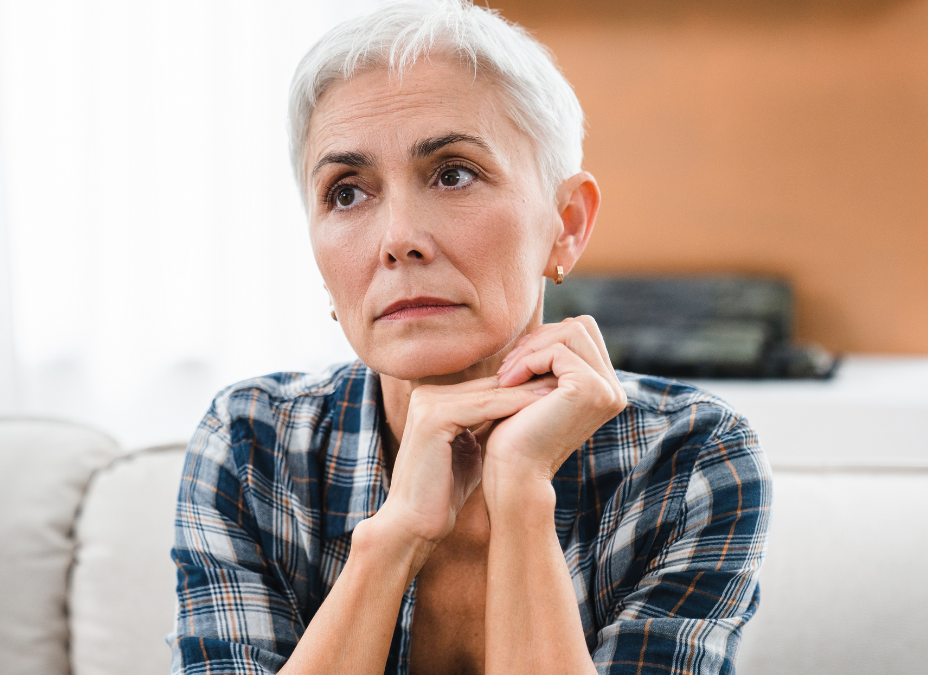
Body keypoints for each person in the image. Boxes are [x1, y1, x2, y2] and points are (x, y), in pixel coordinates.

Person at [169, 1, 771, 673]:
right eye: (346, 192)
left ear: (566, 223)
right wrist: (395, 536)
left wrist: (521, 491)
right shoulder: (253, 444)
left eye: (453, 174)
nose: (398, 238)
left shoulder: (689, 456)